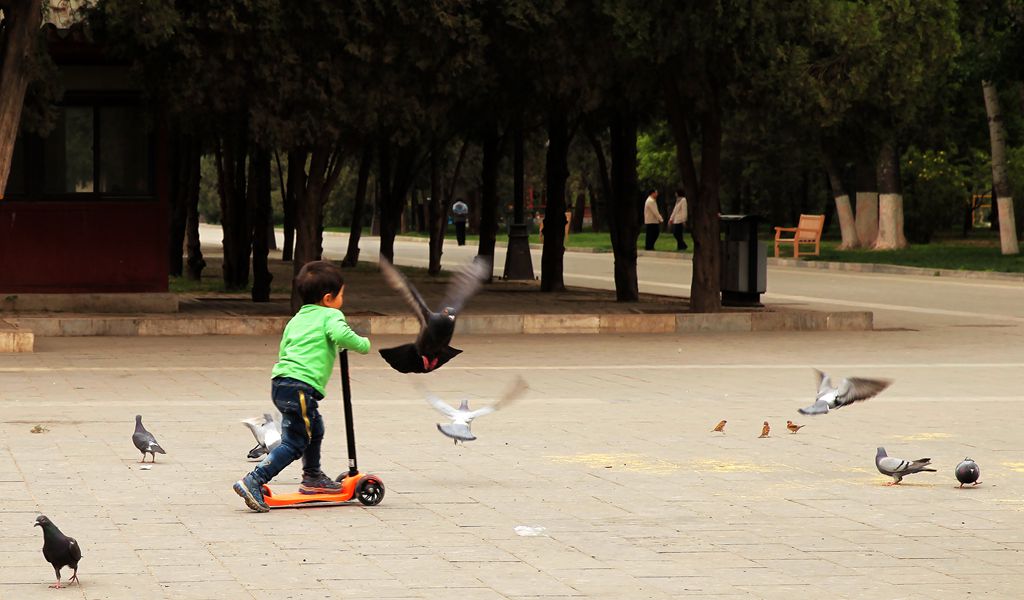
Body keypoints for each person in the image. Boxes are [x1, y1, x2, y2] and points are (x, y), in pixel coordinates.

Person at [233, 260, 371, 513]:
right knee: (295, 442)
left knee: (314, 427)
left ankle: (313, 477)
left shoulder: (297, 318)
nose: (343, 299)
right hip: (301, 388)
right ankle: (254, 480)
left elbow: (285, 348)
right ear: (329, 298)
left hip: (281, 384)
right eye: (342, 294)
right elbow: (341, 335)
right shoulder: (331, 315)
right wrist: (363, 344)